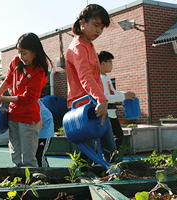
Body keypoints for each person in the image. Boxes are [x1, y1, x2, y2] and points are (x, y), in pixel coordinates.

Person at [0, 32, 52, 167]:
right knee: (15, 154)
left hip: (28, 118)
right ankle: (19, 181)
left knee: (28, 157)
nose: (21, 56)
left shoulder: (39, 72)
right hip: (13, 116)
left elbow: (28, 98)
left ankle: (32, 182)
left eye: (24, 53)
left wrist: (3, 98)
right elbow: (8, 80)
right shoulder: (16, 62)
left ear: (34, 52)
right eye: (19, 52)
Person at [66, 4, 115, 163]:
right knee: (87, 153)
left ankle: (110, 175)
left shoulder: (90, 45)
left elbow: (94, 77)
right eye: (95, 25)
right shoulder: (78, 47)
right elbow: (85, 77)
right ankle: (85, 182)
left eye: (101, 28)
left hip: (95, 103)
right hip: (83, 108)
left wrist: (100, 99)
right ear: (82, 23)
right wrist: (101, 99)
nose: (98, 31)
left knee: (109, 148)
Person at [99, 51, 135, 151]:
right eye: (110, 62)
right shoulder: (100, 78)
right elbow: (106, 98)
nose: (112, 65)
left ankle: (110, 159)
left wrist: (126, 94)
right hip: (105, 115)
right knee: (114, 138)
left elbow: (113, 92)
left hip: (111, 114)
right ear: (103, 63)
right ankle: (109, 160)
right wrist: (124, 96)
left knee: (117, 137)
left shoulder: (105, 77)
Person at [36, 99, 54, 167]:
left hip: (44, 130)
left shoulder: (32, 100)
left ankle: (45, 174)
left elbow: (39, 123)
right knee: (36, 156)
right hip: (37, 128)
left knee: (40, 155)